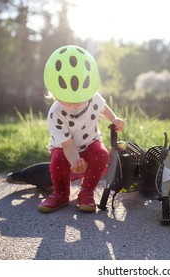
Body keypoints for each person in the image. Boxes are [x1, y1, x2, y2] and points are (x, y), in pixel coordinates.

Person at [38, 45, 125, 213]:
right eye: (68, 101)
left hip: (90, 142)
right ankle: (61, 193)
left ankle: (86, 192)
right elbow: (67, 145)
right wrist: (75, 161)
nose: (75, 105)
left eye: (79, 100)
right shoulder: (56, 113)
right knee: (57, 162)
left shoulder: (93, 98)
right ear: (55, 93)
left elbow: (103, 108)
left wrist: (114, 119)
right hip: (66, 149)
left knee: (101, 154)